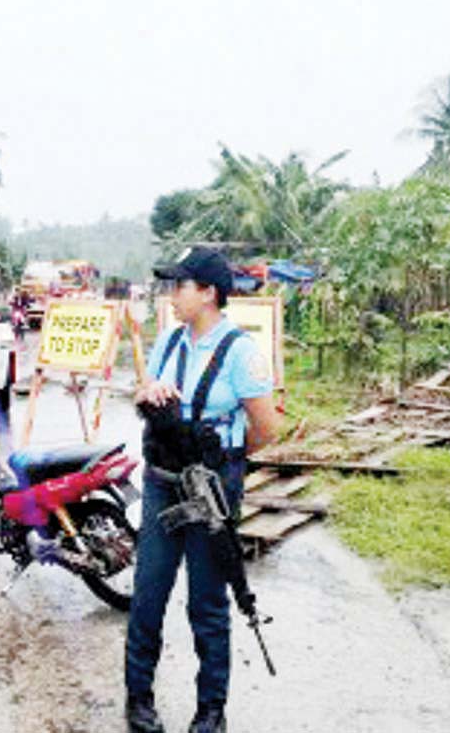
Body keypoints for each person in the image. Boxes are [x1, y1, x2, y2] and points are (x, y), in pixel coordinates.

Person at [125, 247, 283, 733]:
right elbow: (142, 394)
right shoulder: (169, 343)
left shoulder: (241, 353)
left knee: (208, 602)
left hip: (213, 487)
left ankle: (211, 708)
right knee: (148, 592)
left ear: (208, 293)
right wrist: (146, 395)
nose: (171, 296)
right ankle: (139, 698)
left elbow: (266, 429)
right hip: (161, 483)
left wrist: (222, 462)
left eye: (180, 287)